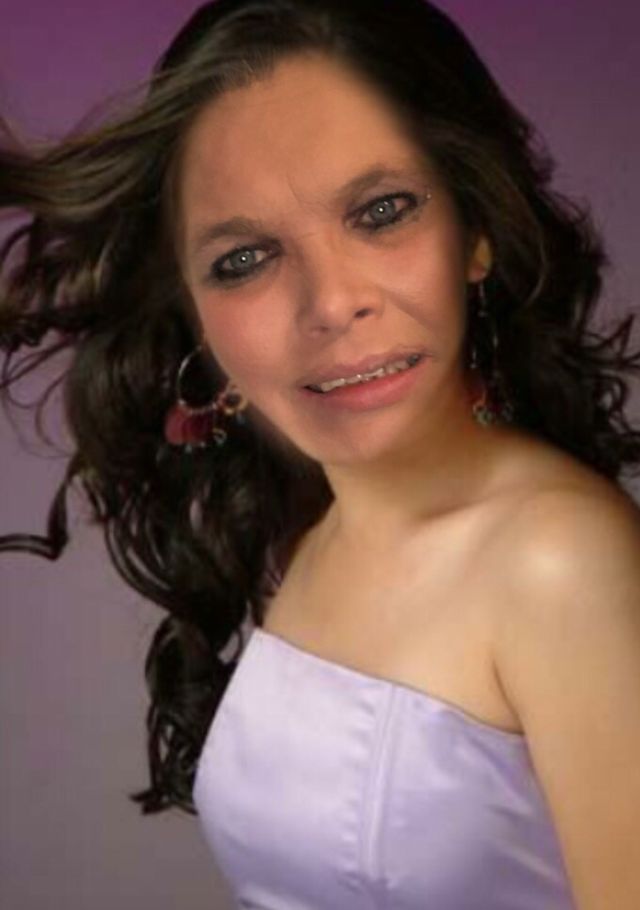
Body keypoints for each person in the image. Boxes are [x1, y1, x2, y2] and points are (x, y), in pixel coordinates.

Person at [2, 0, 640, 907]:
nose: (331, 303)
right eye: (244, 260)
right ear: (194, 314)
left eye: (381, 211)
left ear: (477, 231)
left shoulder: (558, 560)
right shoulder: (311, 532)